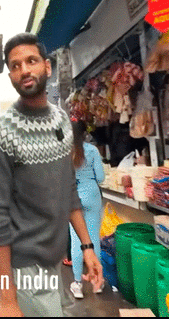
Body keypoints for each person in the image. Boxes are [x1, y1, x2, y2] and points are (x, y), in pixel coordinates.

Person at [0, 33, 103, 317]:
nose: (24, 69)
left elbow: (68, 189)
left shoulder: (61, 120)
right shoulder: (2, 133)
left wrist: (87, 247)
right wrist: (7, 299)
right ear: (10, 76)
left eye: (31, 61)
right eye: (15, 65)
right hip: (25, 266)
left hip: (54, 261)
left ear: (47, 67)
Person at [68, 119, 106, 299]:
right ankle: (97, 282)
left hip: (73, 197)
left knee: (77, 241)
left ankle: (77, 284)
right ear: (85, 133)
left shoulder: (65, 152)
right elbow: (100, 177)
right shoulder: (92, 150)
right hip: (92, 195)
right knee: (93, 241)